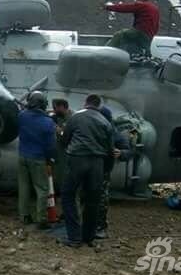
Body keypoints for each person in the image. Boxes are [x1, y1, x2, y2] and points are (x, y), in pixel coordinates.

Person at [59, 94, 116, 248]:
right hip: (97, 163)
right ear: (98, 106)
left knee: (68, 194)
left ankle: (74, 238)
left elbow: (65, 140)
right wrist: (106, 170)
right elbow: (110, 151)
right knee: (93, 201)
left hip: (77, 160)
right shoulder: (106, 122)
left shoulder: (76, 117)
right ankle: (88, 237)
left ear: (86, 103)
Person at [17, 91, 56, 228]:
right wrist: (50, 161)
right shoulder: (48, 122)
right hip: (38, 159)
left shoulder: (22, 116)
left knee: (24, 187)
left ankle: (24, 216)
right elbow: (51, 146)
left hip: (22, 156)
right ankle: (41, 219)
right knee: (42, 189)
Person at [94, 106, 132, 239]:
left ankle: (100, 227)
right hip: (90, 169)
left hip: (103, 170)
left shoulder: (113, 133)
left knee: (101, 200)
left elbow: (128, 151)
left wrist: (121, 153)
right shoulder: (91, 128)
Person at [50, 99, 73, 194]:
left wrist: (59, 130)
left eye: (57, 107)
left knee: (64, 173)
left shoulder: (71, 118)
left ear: (63, 107)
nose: (55, 109)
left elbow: (65, 134)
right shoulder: (56, 117)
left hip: (66, 151)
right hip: (58, 150)